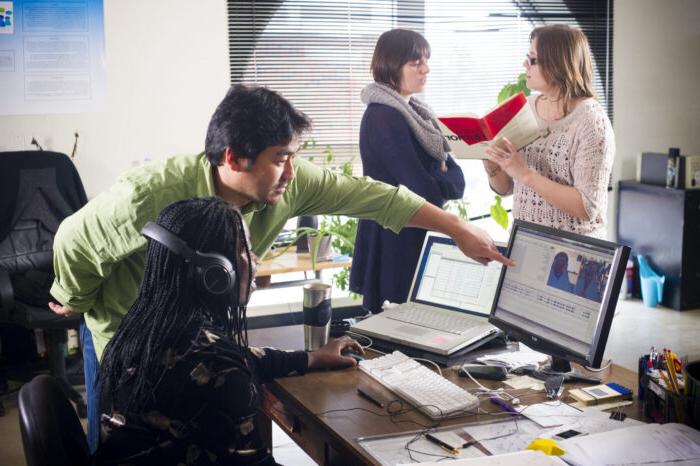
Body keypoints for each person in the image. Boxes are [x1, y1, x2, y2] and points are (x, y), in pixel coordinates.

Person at [49, 84, 511, 451]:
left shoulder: (289, 182)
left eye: (293, 156)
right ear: (233, 158)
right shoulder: (148, 194)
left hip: (202, 343)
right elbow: (73, 240)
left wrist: (456, 227)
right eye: (280, 159)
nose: (292, 172)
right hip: (131, 336)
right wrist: (73, 298)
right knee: (124, 445)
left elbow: (376, 197)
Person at [95, 197, 363, 465]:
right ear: (216, 273)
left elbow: (239, 356)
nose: (256, 259)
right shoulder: (217, 365)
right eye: (245, 250)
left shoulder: (148, 326)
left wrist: (312, 358)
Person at [350, 29, 465, 313]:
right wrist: (440, 175)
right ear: (390, 66)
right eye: (416, 63)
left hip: (415, 229)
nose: (426, 69)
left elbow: (458, 183)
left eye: (426, 61)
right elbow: (425, 192)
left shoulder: (419, 113)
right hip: (394, 237)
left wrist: (437, 176)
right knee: (399, 329)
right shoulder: (383, 116)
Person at [483, 25, 615, 239]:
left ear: (558, 63)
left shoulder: (591, 122)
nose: (525, 64)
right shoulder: (523, 109)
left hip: (576, 253)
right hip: (525, 244)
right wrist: (493, 169)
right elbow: (507, 189)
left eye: (533, 59)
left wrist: (525, 174)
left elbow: (587, 207)